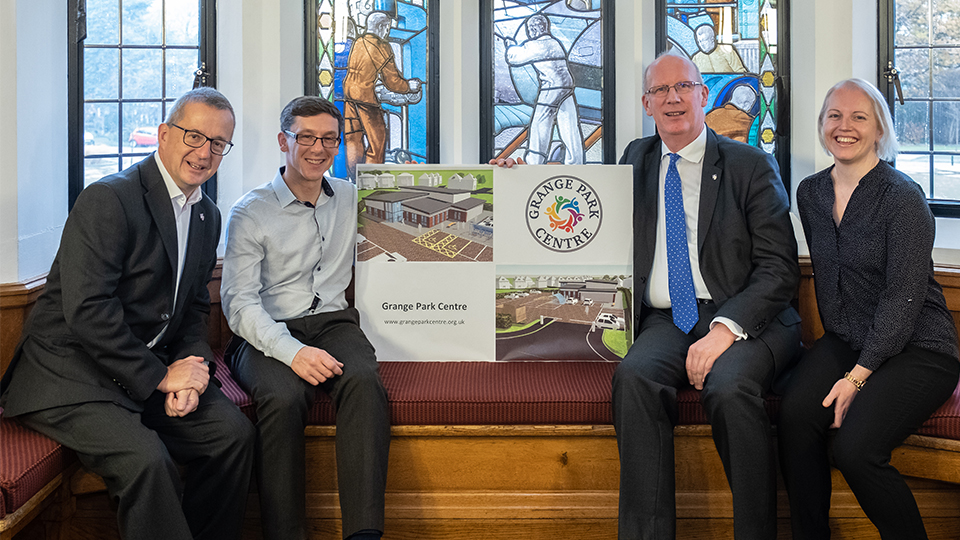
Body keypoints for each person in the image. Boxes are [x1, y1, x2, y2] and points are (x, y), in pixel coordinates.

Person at [493, 52, 801, 540]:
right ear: (646, 103)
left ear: (703, 94)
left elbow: (780, 269)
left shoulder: (750, 165)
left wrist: (724, 330)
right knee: (634, 378)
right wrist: (511, 183)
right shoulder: (635, 159)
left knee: (730, 388)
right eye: (660, 91)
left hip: (747, 320)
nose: (672, 98)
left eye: (683, 87)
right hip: (665, 320)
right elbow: (576, 208)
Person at [0, 87, 254, 540]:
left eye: (218, 143)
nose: (205, 152)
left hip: (139, 372)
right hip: (70, 376)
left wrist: (193, 372)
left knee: (231, 435)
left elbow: (195, 306)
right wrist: (160, 379)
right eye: (194, 136)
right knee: (146, 460)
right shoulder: (109, 199)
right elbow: (88, 311)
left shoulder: (207, 215)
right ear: (163, 135)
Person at [778, 78, 960, 540]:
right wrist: (846, 362)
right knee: (796, 417)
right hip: (849, 338)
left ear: (879, 129)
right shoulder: (811, 193)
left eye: (859, 117)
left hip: (921, 348)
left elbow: (902, 298)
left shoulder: (902, 198)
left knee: (857, 449)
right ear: (821, 125)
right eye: (834, 116)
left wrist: (857, 377)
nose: (845, 126)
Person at [221, 96, 390, 540]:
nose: (318, 148)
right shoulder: (249, 212)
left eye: (329, 139)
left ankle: (364, 533)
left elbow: (420, 195)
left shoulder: (353, 198)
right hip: (265, 333)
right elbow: (239, 304)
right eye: (307, 137)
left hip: (333, 323)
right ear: (284, 141)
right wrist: (292, 353)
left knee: (364, 380)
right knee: (280, 397)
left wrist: (492, 177)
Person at [343, 11, 422, 179]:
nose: (388, 31)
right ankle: (369, 182)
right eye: (387, 27)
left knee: (353, 138)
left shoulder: (359, 41)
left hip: (349, 97)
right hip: (366, 99)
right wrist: (410, 86)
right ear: (382, 27)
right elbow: (392, 82)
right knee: (377, 142)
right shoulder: (381, 46)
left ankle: (353, 179)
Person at [504, 13, 585, 165]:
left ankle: (534, 162)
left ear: (540, 28)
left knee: (540, 122)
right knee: (568, 122)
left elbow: (514, 58)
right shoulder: (555, 42)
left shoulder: (537, 45)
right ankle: (576, 162)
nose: (530, 32)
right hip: (567, 87)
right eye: (529, 28)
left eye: (532, 28)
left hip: (552, 87)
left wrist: (509, 45)